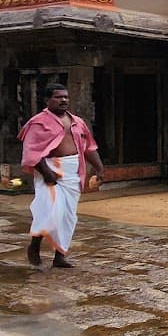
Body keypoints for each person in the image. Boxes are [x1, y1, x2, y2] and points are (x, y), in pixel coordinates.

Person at [19, 84, 104, 268]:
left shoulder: (77, 122)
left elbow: (89, 147)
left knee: (68, 216)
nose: (63, 100)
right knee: (50, 211)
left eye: (65, 97)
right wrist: (46, 173)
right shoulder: (38, 122)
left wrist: (99, 168)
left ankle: (60, 255)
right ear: (47, 100)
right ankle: (34, 245)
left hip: (72, 170)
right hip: (49, 168)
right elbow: (32, 152)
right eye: (58, 97)